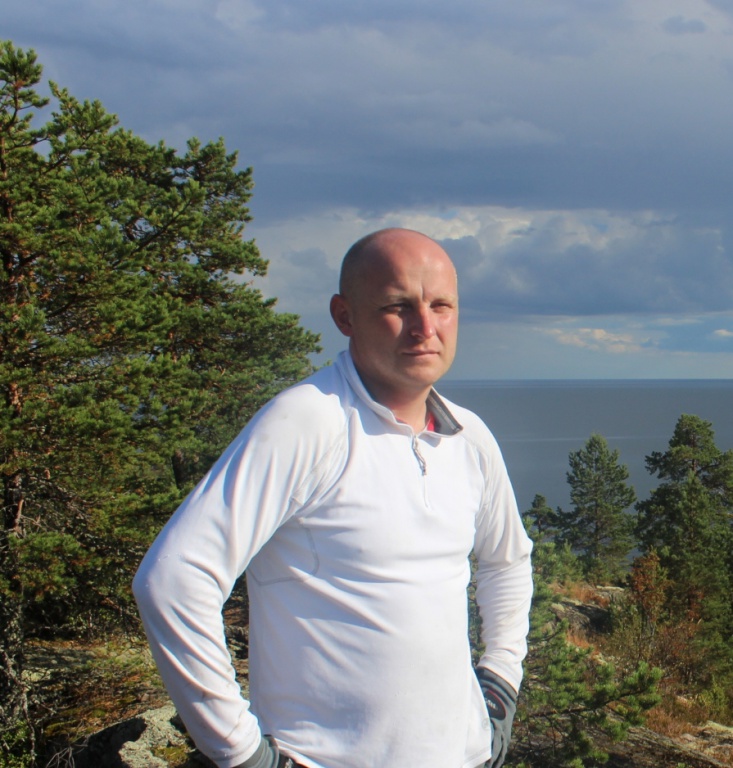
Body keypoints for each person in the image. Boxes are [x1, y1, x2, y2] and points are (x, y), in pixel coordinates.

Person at [133, 228, 533, 768]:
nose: (425, 327)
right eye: (397, 306)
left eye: (441, 305)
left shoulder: (469, 438)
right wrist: (242, 752)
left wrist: (501, 680)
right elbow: (174, 580)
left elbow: (508, 561)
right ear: (345, 316)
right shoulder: (307, 421)